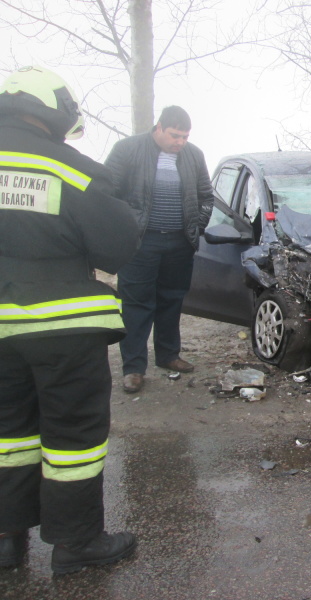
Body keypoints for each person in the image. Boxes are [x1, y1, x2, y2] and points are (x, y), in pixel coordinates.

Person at [0, 66, 139, 573]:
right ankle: (76, 543)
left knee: (7, 433)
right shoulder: (71, 169)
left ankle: (5, 539)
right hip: (60, 328)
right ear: (55, 112)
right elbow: (118, 246)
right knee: (72, 435)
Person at [105, 105, 214, 394]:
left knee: (172, 299)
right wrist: (126, 228)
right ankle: (133, 368)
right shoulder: (128, 149)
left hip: (179, 242)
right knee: (137, 303)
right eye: (175, 135)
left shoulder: (194, 155)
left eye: (185, 137)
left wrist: (196, 226)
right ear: (159, 128)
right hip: (140, 242)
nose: (180, 142)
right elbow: (107, 194)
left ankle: (168, 355)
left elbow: (206, 196)